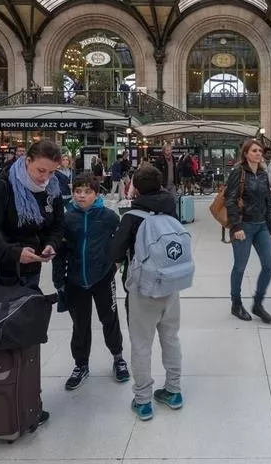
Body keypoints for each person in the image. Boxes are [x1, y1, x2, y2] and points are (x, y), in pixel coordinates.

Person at [0, 140, 64, 428]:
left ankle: (25, 401)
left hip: (31, 271)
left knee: (26, 338)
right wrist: (12, 253)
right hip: (2, 273)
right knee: (2, 339)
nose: (44, 178)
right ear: (26, 161)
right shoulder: (3, 188)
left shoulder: (52, 189)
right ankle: (2, 400)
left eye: (51, 172)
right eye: (40, 170)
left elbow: (56, 225)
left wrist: (50, 244)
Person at [108, 165, 183, 421]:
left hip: (143, 290)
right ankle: (173, 390)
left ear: (135, 188)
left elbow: (115, 254)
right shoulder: (171, 208)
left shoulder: (131, 216)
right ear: (160, 185)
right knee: (171, 337)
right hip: (172, 285)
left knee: (141, 344)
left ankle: (143, 401)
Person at [53, 173, 129, 391]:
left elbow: (120, 243)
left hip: (102, 278)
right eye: (78, 191)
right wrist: (59, 280)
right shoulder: (67, 219)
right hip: (76, 280)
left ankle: (118, 357)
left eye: (87, 191)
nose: (81, 196)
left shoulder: (108, 217)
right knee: (80, 324)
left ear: (96, 194)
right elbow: (60, 251)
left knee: (110, 319)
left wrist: (116, 264)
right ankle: (81, 364)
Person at [225, 139, 271, 324]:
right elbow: (230, 200)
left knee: (269, 265)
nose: (258, 153)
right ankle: (236, 303)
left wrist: (270, 226)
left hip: (261, 225)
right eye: (254, 151)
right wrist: (236, 226)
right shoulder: (238, 173)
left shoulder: (263, 174)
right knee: (240, 266)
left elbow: (267, 201)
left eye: (260, 151)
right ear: (246, 153)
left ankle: (258, 303)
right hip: (244, 226)